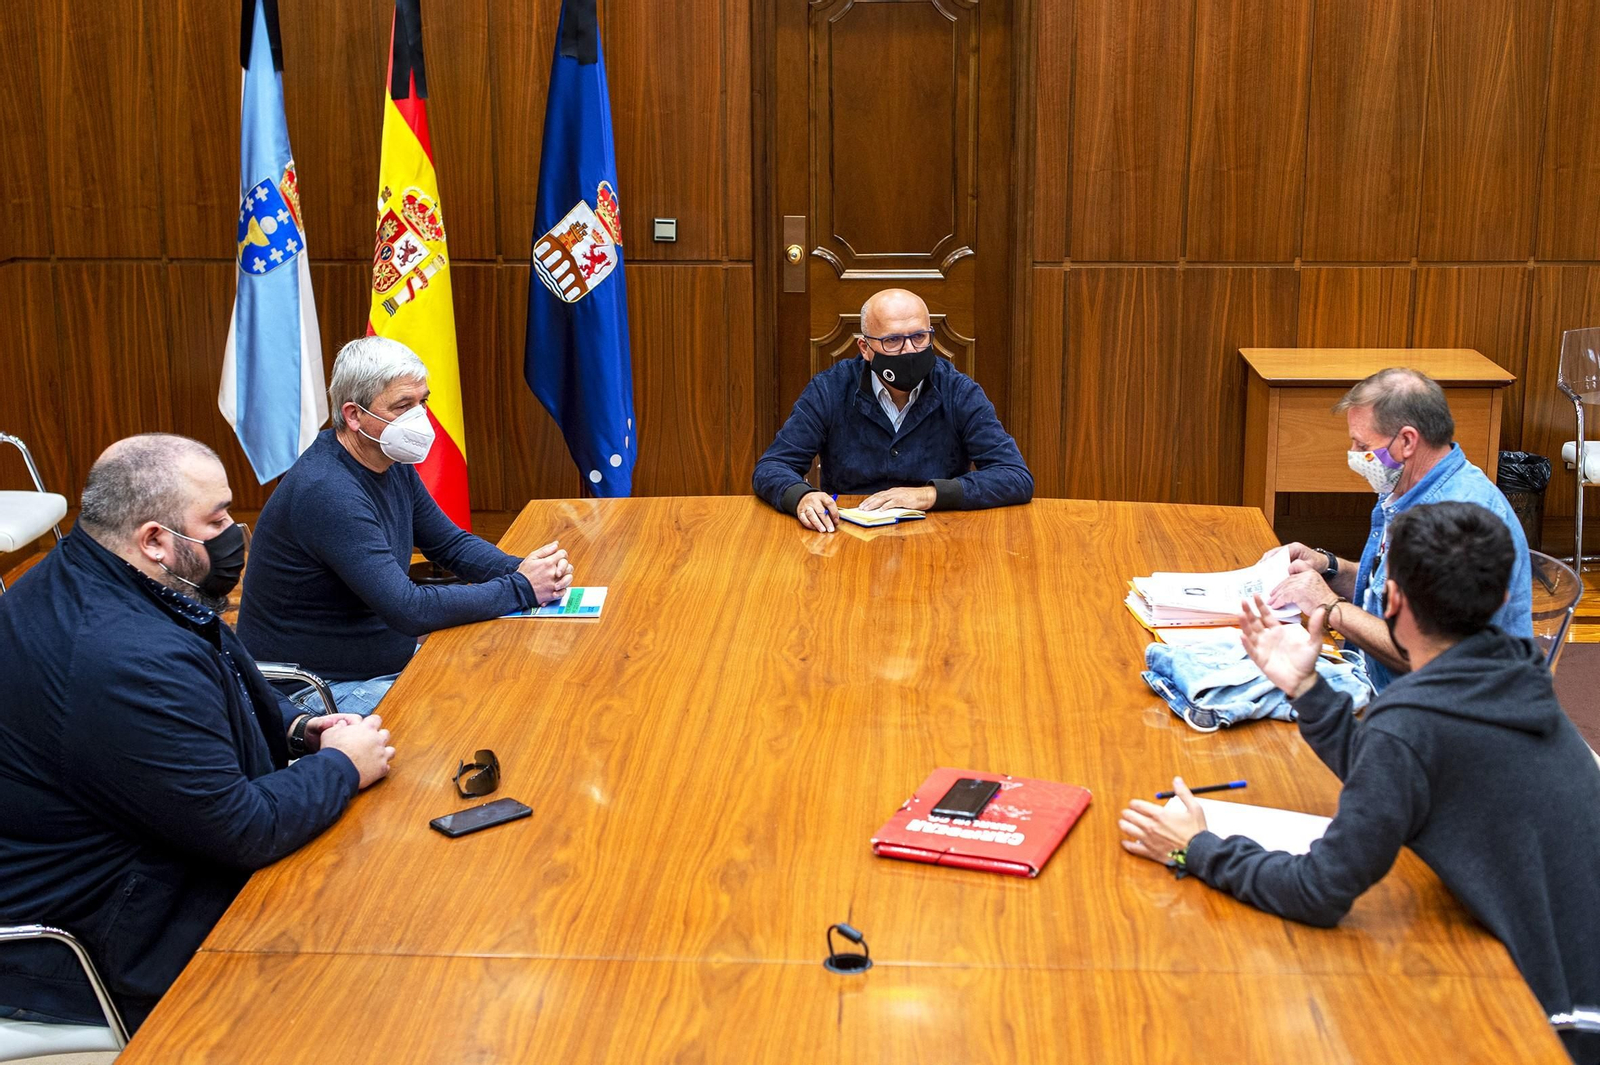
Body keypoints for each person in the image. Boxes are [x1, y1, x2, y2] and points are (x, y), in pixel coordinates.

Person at [1119, 502, 1600, 1064]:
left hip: (1539, 1026)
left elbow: (1319, 892)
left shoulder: (1416, 722)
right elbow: (1394, 774)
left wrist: (1195, 848)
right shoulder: (1515, 674)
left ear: (1392, 602)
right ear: (1499, 601)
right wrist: (1305, 688)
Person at [0, 434, 395, 1031]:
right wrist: (342, 765)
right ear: (154, 539)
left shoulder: (121, 576)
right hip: (103, 934)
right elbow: (242, 829)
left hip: (151, 847)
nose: (238, 532)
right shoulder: (123, 659)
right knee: (366, 955)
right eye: (217, 520)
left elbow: (216, 673)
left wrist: (297, 730)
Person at [237, 337, 573, 716]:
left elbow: (450, 545)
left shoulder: (388, 461)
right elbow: (409, 608)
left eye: (422, 402)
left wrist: (525, 570)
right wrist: (522, 587)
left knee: (511, 680)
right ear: (354, 415)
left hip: (379, 665)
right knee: (485, 709)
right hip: (314, 690)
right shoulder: (327, 491)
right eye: (403, 406)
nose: (420, 417)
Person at [1269, 367, 1531, 692]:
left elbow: (1424, 652)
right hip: (1379, 680)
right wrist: (1330, 568)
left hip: (1437, 711)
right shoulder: (1405, 489)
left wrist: (1329, 606)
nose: (1354, 454)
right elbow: (1386, 591)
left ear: (1407, 440)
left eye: (1362, 443)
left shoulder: (1456, 523)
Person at [751, 288, 1033, 532]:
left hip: (939, 532)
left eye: (919, 337)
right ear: (865, 347)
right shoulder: (830, 389)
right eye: (893, 341)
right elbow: (772, 467)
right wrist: (800, 496)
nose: (909, 350)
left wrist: (929, 495)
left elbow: (1014, 476)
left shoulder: (958, 391)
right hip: (847, 534)